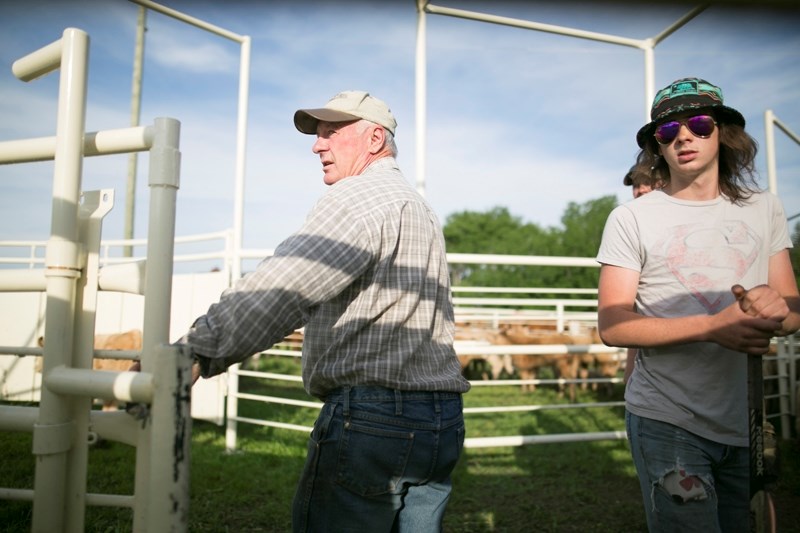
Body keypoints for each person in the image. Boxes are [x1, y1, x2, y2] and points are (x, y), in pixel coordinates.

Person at [180, 90, 471, 532]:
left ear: (375, 139)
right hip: (439, 419)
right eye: (318, 135)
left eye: (332, 133)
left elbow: (285, 285)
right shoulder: (419, 209)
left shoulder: (358, 199)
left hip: (374, 420)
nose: (317, 145)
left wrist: (197, 350)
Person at [596, 77, 800, 532]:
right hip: (666, 417)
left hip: (744, 415)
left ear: (723, 132)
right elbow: (612, 323)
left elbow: (792, 309)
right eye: (667, 132)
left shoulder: (764, 208)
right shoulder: (631, 217)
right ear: (657, 146)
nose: (683, 136)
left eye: (699, 124)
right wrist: (712, 327)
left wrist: (775, 309)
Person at [620, 164, 664, 383]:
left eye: (648, 183)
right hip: (642, 324)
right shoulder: (629, 225)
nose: (641, 190)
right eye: (636, 185)